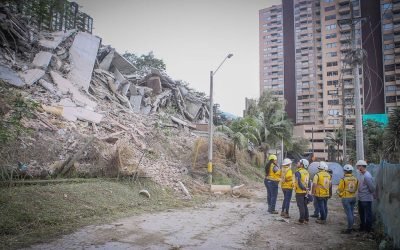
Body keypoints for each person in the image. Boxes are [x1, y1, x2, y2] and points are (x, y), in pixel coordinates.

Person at [338, 164, 359, 234]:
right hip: (353, 197)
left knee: (349, 213)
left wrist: (340, 194)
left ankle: (349, 229)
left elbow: (340, 189)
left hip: (346, 198)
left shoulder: (343, 179)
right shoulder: (355, 179)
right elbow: (356, 188)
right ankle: (351, 226)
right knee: (351, 212)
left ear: (345, 171)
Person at [356, 160, 375, 233]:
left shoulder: (367, 176)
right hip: (361, 198)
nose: (357, 168)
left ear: (361, 166)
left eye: (358, 166)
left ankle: (368, 229)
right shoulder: (361, 174)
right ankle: (362, 227)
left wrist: (366, 192)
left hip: (366, 199)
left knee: (367, 215)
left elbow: (372, 188)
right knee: (362, 214)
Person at [294, 159, 310, 224]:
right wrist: (307, 189)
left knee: (301, 206)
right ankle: (307, 219)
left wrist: (303, 188)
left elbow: (299, 183)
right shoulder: (307, 172)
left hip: (300, 191)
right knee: (305, 205)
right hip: (305, 191)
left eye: (299, 163)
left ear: (302, 165)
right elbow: (309, 182)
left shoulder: (298, 172)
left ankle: (301, 220)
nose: (298, 163)